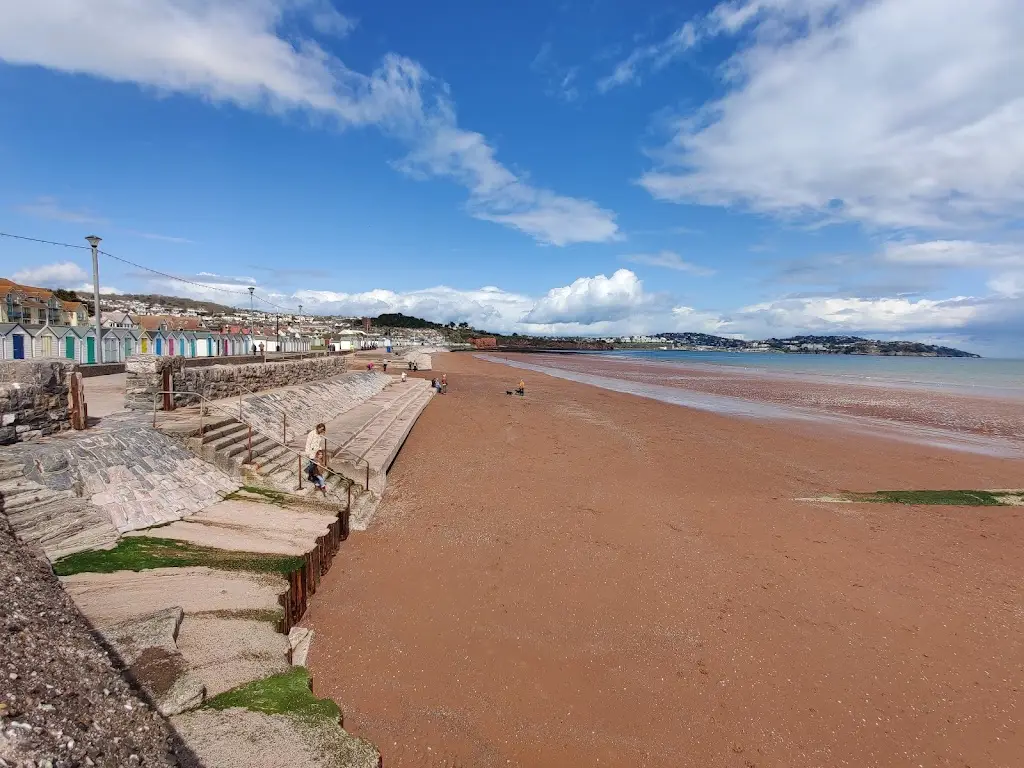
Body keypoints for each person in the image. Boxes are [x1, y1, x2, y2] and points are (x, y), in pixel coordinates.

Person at [304, 423, 326, 488]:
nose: (321, 430)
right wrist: (307, 452)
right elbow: (308, 443)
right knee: (313, 466)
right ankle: (314, 479)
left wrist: (320, 449)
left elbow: (318, 443)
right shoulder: (311, 433)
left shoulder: (320, 435)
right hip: (311, 452)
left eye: (322, 430)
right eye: (320, 429)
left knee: (315, 467)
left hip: (316, 452)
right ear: (318, 428)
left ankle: (314, 479)